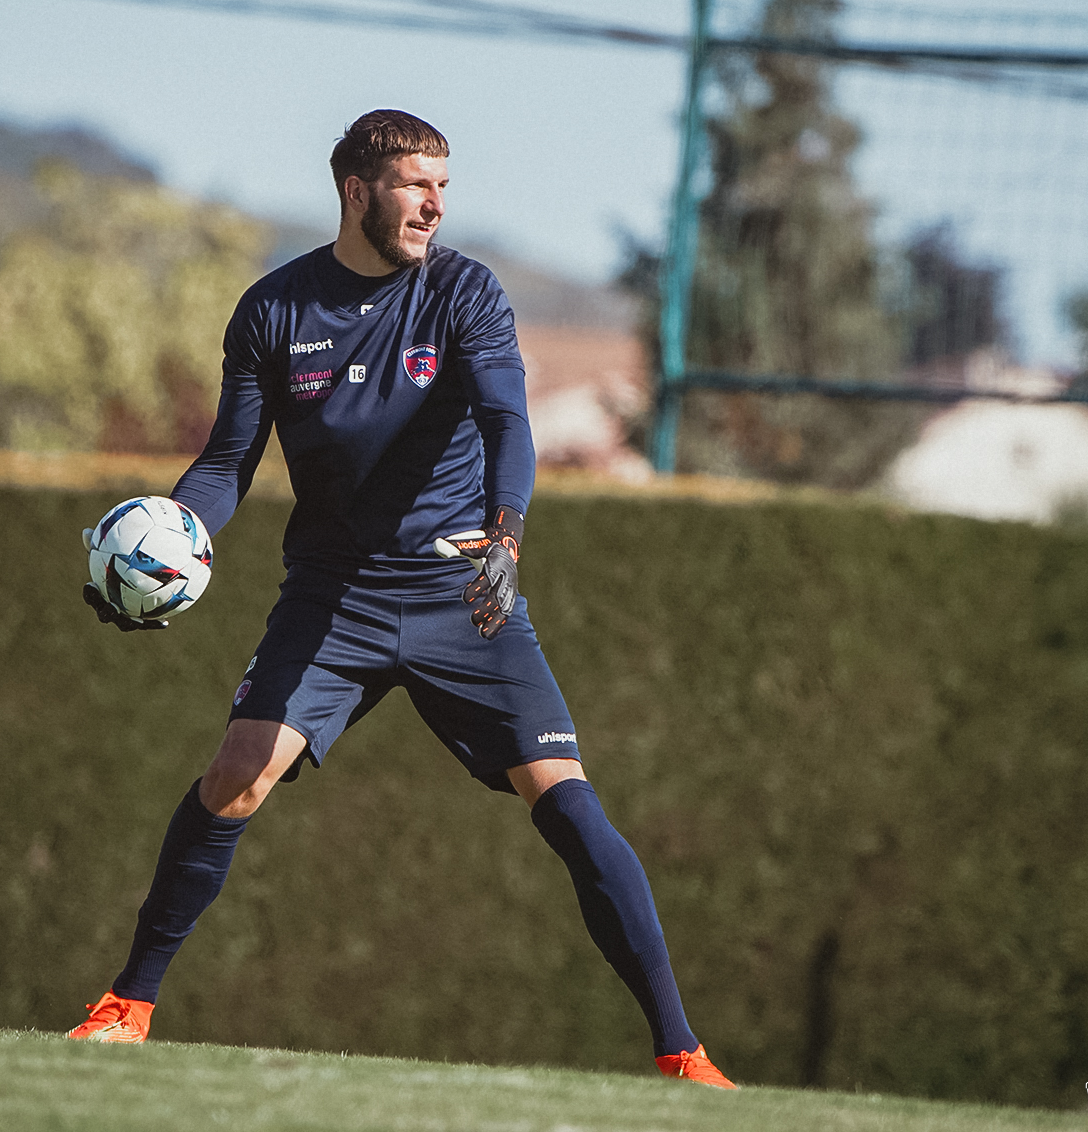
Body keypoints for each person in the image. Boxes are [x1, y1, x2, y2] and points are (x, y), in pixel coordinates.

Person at [68, 109, 734, 1088]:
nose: (433, 204)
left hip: (462, 586)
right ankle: (125, 1006)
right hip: (334, 594)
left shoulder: (464, 292)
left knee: (569, 805)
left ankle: (682, 1054)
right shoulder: (272, 311)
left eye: (443, 188)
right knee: (235, 777)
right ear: (356, 190)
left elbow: (509, 419)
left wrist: (505, 536)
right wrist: (167, 542)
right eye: (416, 184)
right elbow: (225, 465)